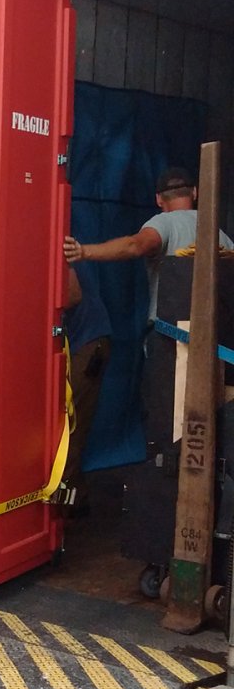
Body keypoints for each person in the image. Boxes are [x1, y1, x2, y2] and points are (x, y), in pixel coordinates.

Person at [63, 167, 233, 320]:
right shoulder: (218, 234)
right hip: (218, 335)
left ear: (159, 199)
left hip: (171, 335)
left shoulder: (164, 223)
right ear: (194, 192)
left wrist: (83, 251)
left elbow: (135, 245)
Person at [61, 265, 112, 514]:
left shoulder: (56, 247)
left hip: (89, 345)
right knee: (69, 426)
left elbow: (72, 294)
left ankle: (64, 508)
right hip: (87, 342)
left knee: (68, 427)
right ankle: (77, 499)